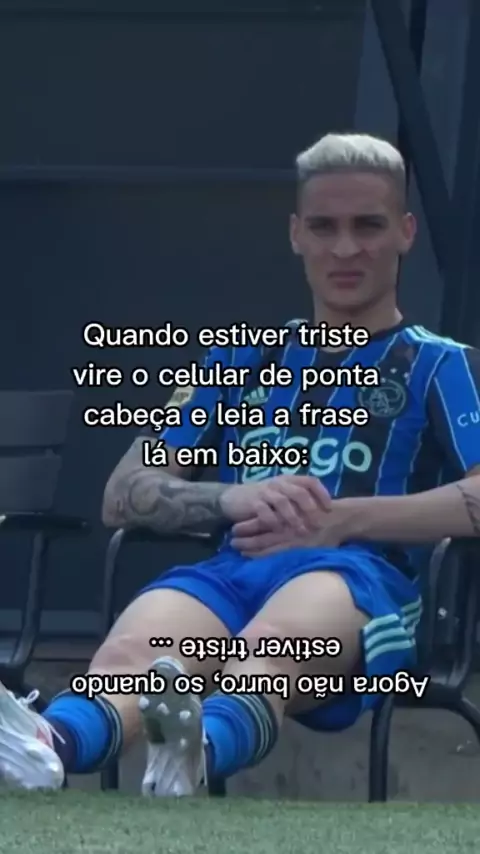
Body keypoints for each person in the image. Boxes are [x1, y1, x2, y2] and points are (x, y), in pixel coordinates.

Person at [1, 132, 480, 797]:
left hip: (364, 583)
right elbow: (124, 491)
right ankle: (46, 745)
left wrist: (342, 520)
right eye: (324, 227)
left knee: (270, 650)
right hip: (231, 572)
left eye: (367, 226)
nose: (345, 249)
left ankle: (196, 751)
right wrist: (231, 499)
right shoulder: (240, 358)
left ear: (405, 232)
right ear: (296, 235)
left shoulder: (442, 364)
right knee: (129, 659)